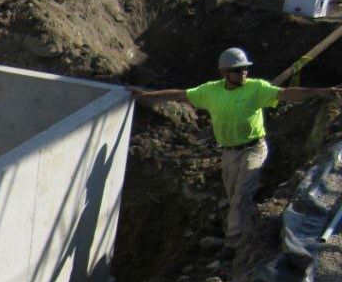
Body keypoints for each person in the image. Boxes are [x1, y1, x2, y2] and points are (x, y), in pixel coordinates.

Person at [130, 47, 341, 259]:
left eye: (245, 70)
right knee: (234, 196)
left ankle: (232, 245)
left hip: (253, 148)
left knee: (241, 194)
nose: (243, 74)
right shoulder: (211, 91)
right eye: (238, 70)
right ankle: (244, 230)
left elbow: (285, 94)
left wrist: (320, 91)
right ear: (224, 73)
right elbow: (180, 95)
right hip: (229, 153)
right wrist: (147, 96)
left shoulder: (256, 89)